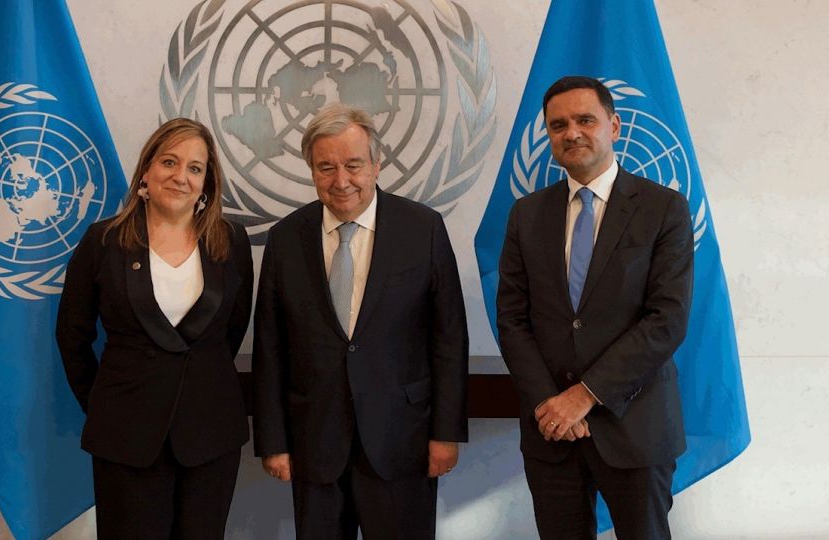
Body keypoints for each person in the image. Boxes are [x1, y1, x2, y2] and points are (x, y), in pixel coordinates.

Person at [252, 103, 468, 539]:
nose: (341, 181)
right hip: (314, 443)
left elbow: (448, 338)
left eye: (353, 164)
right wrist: (273, 441)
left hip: (401, 441)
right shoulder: (285, 238)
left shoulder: (423, 228)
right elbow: (270, 348)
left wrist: (446, 434)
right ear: (311, 169)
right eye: (326, 167)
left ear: (376, 164)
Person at [497, 75, 694, 539]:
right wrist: (551, 404)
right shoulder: (526, 215)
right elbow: (512, 318)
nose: (572, 132)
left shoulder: (663, 208)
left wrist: (583, 397)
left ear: (615, 125)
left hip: (635, 427)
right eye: (558, 124)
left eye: (586, 120)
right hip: (553, 434)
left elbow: (666, 320)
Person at [56, 118, 253, 539]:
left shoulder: (231, 242)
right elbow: (72, 335)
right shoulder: (103, 241)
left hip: (210, 434)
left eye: (195, 168)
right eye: (170, 162)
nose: (181, 176)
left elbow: (230, 333)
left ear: (206, 183)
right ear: (146, 171)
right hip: (126, 434)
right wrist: (104, 402)